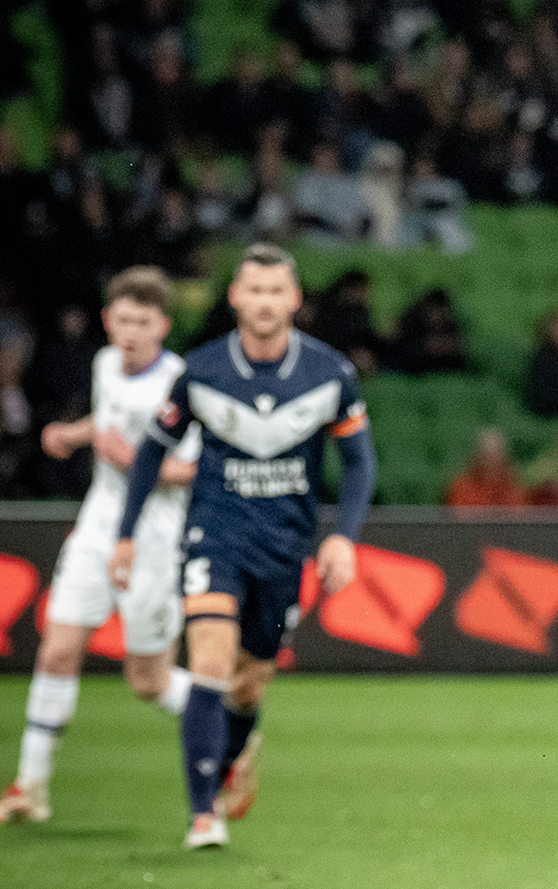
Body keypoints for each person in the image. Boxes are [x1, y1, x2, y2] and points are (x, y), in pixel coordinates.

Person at [109, 244, 377, 851]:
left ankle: (235, 751)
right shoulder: (202, 370)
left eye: (275, 291)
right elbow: (152, 451)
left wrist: (343, 538)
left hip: (284, 544)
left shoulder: (330, 374)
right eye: (254, 290)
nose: (264, 302)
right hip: (215, 533)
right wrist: (125, 534)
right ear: (235, 297)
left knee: (249, 683)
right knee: (209, 658)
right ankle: (203, 814)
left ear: (294, 299)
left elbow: (359, 463)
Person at [0, 269, 202, 827]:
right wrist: (72, 434)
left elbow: (194, 470)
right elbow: (111, 421)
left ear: (163, 326)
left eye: (143, 322)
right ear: (107, 321)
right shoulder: (104, 364)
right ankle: (30, 787)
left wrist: (132, 462)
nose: (131, 332)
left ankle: (230, 717)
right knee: (56, 652)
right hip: (97, 528)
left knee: (148, 682)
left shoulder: (180, 385)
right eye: (123, 320)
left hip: (152, 539)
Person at [445, 428, 529, 509]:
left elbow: (519, 516)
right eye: (486, 459)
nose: (491, 466)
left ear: (505, 461)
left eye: (496, 460)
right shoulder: (461, 489)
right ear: (476, 460)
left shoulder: (515, 491)